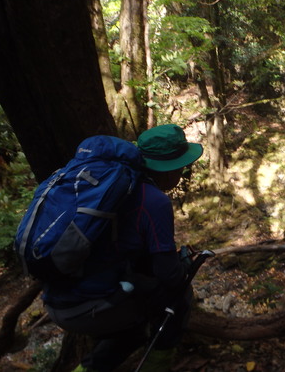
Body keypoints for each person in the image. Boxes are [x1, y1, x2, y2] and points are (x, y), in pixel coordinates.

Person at [42, 124, 203, 372]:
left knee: (131, 330)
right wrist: (185, 265)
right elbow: (168, 274)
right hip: (87, 309)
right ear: (170, 169)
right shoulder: (154, 200)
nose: (183, 172)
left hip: (55, 299)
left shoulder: (106, 186)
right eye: (182, 166)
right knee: (179, 300)